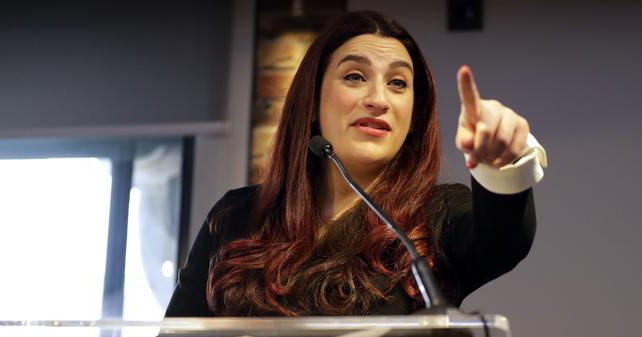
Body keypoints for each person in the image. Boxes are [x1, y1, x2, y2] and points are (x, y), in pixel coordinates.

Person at [164, 11, 547, 317]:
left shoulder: (438, 215)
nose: (378, 98)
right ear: (312, 104)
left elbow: (505, 239)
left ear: (413, 116)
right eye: (355, 76)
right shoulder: (235, 216)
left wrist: (503, 166)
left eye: (398, 83)